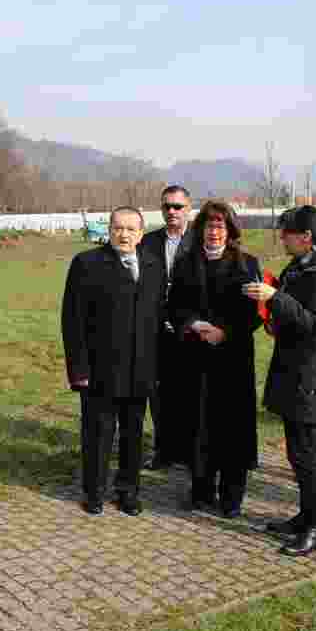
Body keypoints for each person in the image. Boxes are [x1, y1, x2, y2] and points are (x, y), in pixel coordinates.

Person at [243, 206, 316, 556]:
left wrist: (275, 298)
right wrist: (272, 305)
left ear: (306, 236)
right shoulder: (301, 265)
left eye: (286, 232)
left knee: (308, 455)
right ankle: (306, 517)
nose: (282, 238)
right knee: (300, 452)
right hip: (295, 369)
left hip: (313, 374)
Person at [61, 206, 164, 516]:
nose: (124, 234)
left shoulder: (153, 264)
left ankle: (128, 491)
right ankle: (94, 492)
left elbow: (158, 317)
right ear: (109, 230)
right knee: (98, 433)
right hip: (99, 370)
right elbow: (72, 319)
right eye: (118, 228)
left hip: (140, 370)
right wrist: (78, 370)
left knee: (133, 436)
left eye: (131, 229)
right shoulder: (87, 263)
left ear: (141, 234)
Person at [168, 200, 262, 517]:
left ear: (230, 230)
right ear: (200, 229)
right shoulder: (184, 263)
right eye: (209, 226)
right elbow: (174, 306)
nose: (214, 232)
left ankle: (232, 497)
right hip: (195, 359)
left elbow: (255, 314)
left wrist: (226, 332)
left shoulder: (248, 264)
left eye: (220, 226)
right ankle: (201, 490)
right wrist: (194, 324)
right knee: (199, 426)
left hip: (233, 360)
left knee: (232, 429)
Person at [138, 185, 196, 470]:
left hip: (190, 330)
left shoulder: (200, 242)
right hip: (155, 330)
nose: (171, 211)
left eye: (177, 206)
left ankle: (188, 451)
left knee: (188, 392)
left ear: (188, 208)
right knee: (158, 393)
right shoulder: (147, 243)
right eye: (167, 207)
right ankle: (163, 450)